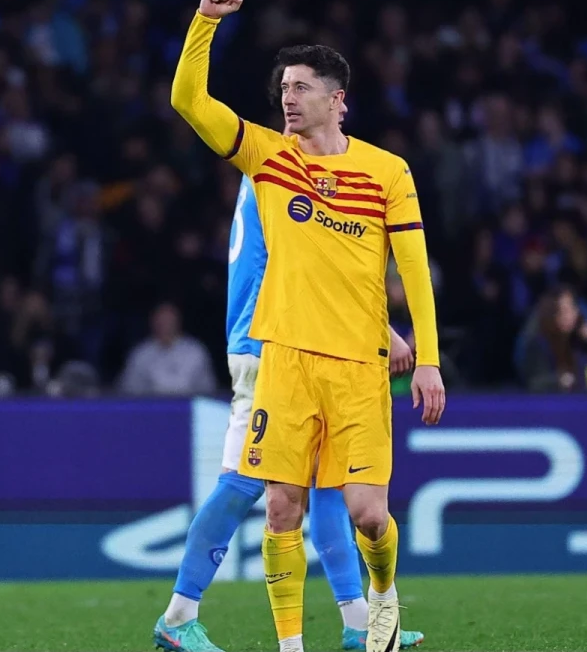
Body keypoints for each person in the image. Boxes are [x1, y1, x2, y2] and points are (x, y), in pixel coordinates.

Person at [172, 0, 446, 652]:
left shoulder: (387, 172)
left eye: (301, 86)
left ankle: (379, 606)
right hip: (284, 361)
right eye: (283, 87)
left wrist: (429, 357)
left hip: (358, 366)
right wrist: (206, 22)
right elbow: (188, 101)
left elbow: (412, 270)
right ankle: (292, 646)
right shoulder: (268, 158)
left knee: (368, 515)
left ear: (337, 97)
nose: (287, 97)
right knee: (279, 508)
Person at [152, 156, 425, 651]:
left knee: (323, 480)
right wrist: (385, 331)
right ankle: (179, 611)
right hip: (272, 346)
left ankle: (358, 619)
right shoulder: (279, 170)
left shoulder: (259, 170)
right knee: (245, 481)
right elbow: (307, 269)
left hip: (284, 344)